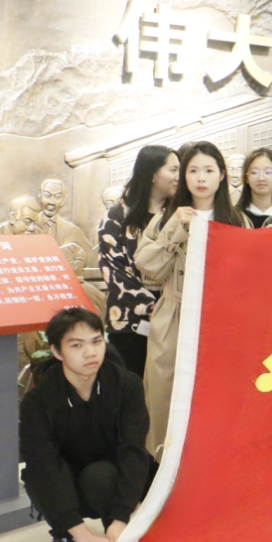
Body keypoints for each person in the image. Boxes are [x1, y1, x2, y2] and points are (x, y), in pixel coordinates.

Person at [136, 142, 251, 458]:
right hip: (175, 317)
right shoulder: (167, 217)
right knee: (165, 396)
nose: (201, 178)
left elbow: (249, 278)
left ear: (222, 175)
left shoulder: (237, 220)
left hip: (222, 322)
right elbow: (147, 267)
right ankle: (163, 471)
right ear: (184, 176)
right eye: (193, 170)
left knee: (219, 399)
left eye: (209, 170)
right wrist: (176, 227)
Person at [19, 308, 151, 542]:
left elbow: (134, 450)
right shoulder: (38, 399)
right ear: (57, 352)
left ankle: (117, 534)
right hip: (66, 478)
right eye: (77, 345)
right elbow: (43, 462)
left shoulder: (127, 385)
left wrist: (120, 517)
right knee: (35, 474)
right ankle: (65, 534)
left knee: (100, 474)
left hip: (108, 475)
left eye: (96, 341)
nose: (90, 353)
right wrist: (81, 533)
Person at [98, 145, 179, 377]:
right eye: (173, 170)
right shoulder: (116, 216)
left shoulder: (178, 216)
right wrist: (153, 307)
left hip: (173, 320)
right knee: (132, 388)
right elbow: (114, 271)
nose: (179, 177)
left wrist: (168, 309)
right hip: (129, 323)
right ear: (153, 174)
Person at [236, 148, 272, 228]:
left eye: (268, 172)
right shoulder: (235, 217)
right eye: (254, 172)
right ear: (246, 178)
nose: (261, 178)